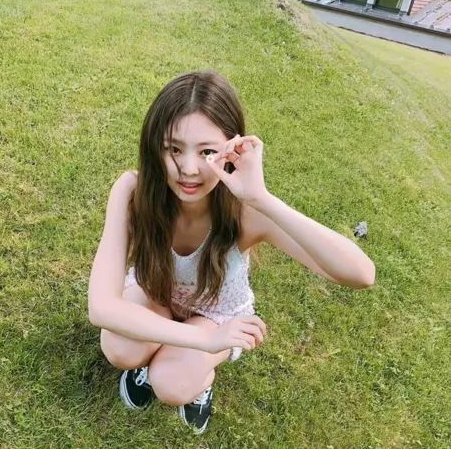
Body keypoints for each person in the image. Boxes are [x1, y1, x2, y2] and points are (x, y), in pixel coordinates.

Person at [88, 71, 375, 434]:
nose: (188, 169)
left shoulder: (246, 212)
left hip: (216, 314)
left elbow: (361, 274)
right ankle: (161, 349)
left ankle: (196, 380)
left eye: (207, 151)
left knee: (171, 384)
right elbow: (101, 307)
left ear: (232, 148)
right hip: (156, 292)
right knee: (120, 347)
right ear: (154, 145)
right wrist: (202, 341)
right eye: (174, 149)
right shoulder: (134, 191)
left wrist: (262, 199)